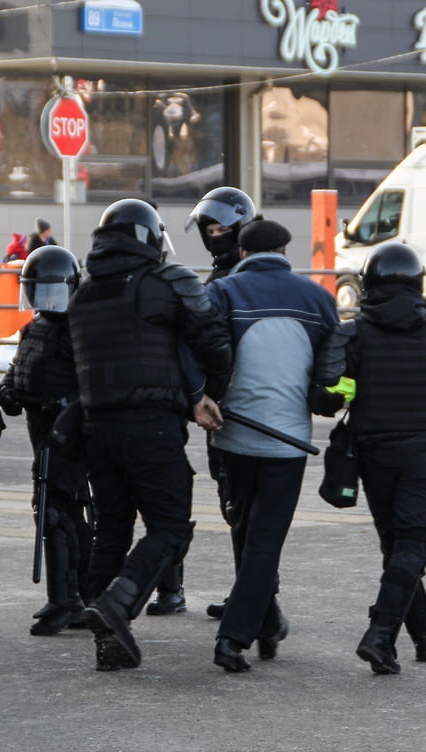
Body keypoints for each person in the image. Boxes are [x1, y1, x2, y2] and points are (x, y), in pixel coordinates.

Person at [67, 199, 232, 670]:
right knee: (171, 526)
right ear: (150, 238)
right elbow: (213, 340)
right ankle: (118, 604)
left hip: (97, 426)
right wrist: (207, 393)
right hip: (152, 424)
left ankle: (108, 644)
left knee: (113, 527)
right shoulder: (166, 281)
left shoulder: (84, 292)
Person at [312, 242, 426, 674]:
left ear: (369, 283)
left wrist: (351, 397)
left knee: (396, 545)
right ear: (418, 282)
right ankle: (380, 633)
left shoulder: (351, 333)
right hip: (422, 454)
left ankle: (424, 634)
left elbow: (324, 396)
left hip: (372, 452)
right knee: (410, 544)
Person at [202, 218, 338, 671]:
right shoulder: (318, 298)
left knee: (244, 530)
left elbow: (199, 350)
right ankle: (233, 638)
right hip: (289, 441)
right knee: (264, 539)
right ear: (285, 251)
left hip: (232, 433)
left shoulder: (222, 293)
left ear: (242, 253)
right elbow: (333, 371)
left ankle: (267, 620)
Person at [0, 245, 92, 637]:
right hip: (41, 429)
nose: (47, 300)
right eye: (39, 291)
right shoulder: (33, 329)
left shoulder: (80, 330)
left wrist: (66, 403)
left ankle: (69, 596)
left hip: (68, 432)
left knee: (56, 509)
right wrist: (9, 394)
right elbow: (15, 372)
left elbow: (92, 383)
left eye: (53, 291)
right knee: (57, 508)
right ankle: (76, 593)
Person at [181, 186, 257, 620]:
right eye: (209, 229)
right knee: (235, 502)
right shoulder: (225, 275)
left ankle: (255, 594)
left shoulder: (239, 279)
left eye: (222, 228)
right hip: (223, 404)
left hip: (237, 404)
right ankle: (251, 590)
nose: (214, 235)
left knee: (242, 502)